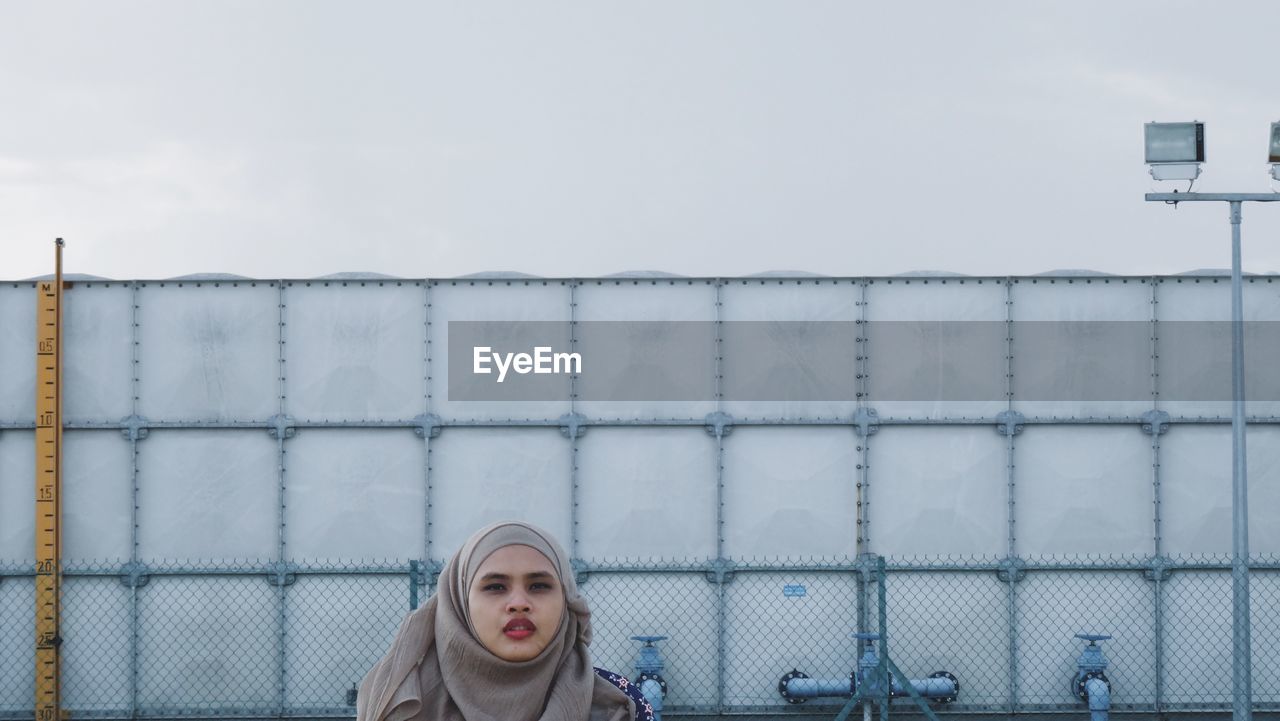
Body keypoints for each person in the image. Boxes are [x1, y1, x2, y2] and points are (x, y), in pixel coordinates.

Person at [357, 521, 655, 721]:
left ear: (566, 600)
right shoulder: (402, 703)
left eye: (539, 585)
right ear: (459, 603)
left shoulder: (618, 706)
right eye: (495, 587)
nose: (519, 604)